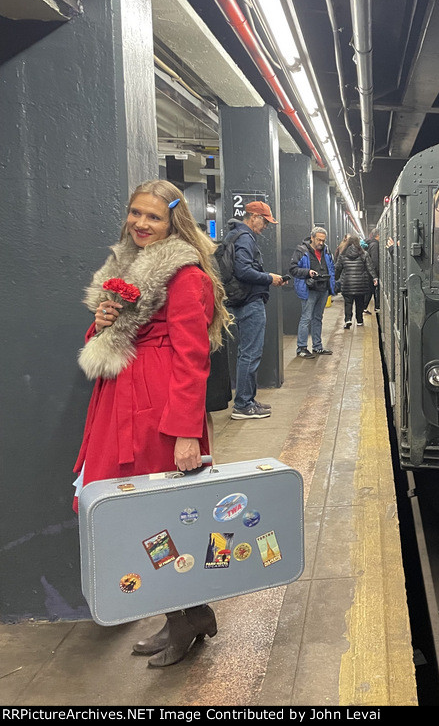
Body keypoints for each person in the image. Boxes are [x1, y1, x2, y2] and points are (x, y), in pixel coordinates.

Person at [73, 179, 232, 668]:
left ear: (173, 222)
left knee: (163, 515)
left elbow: (192, 356)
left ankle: (185, 616)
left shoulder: (184, 275)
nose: (141, 224)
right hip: (122, 402)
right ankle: (185, 614)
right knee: (144, 515)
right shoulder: (124, 267)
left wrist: (186, 431)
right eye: (136, 214)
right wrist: (101, 324)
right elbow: (117, 336)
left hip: (158, 412)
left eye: (153, 217)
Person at [227, 201, 285, 419]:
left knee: (248, 353)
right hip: (249, 301)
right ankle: (243, 404)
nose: (266, 227)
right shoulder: (244, 238)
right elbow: (243, 271)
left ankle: (248, 399)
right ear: (253, 217)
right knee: (250, 354)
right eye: (265, 222)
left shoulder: (234, 235)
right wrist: (269, 278)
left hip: (241, 299)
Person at [289, 225, 336, 358]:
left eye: (323, 240)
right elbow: (293, 269)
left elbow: (331, 267)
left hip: (323, 289)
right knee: (306, 318)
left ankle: (317, 346)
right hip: (309, 290)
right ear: (312, 238)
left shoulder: (326, 251)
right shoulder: (301, 250)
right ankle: (301, 348)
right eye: (319, 240)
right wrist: (307, 272)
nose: (321, 243)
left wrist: (331, 284)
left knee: (318, 318)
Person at [335, 233, 378, 328]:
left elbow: (338, 268)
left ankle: (348, 319)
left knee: (348, 303)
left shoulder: (342, 254)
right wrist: (374, 278)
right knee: (359, 303)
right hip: (361, 284)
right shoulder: (364, 254)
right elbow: (370, 267)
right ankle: (359, 320)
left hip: (347, 283)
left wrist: (335, 278)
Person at [365, 228, 381, 312]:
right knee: (372, 291)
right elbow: (375, 261)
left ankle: (374, 307)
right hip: (372, 273)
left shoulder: (371, 244)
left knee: (371, 291)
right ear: (377, 235)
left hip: (370, 272)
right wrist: (375, 275)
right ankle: (375, 307)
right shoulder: (375, 245)